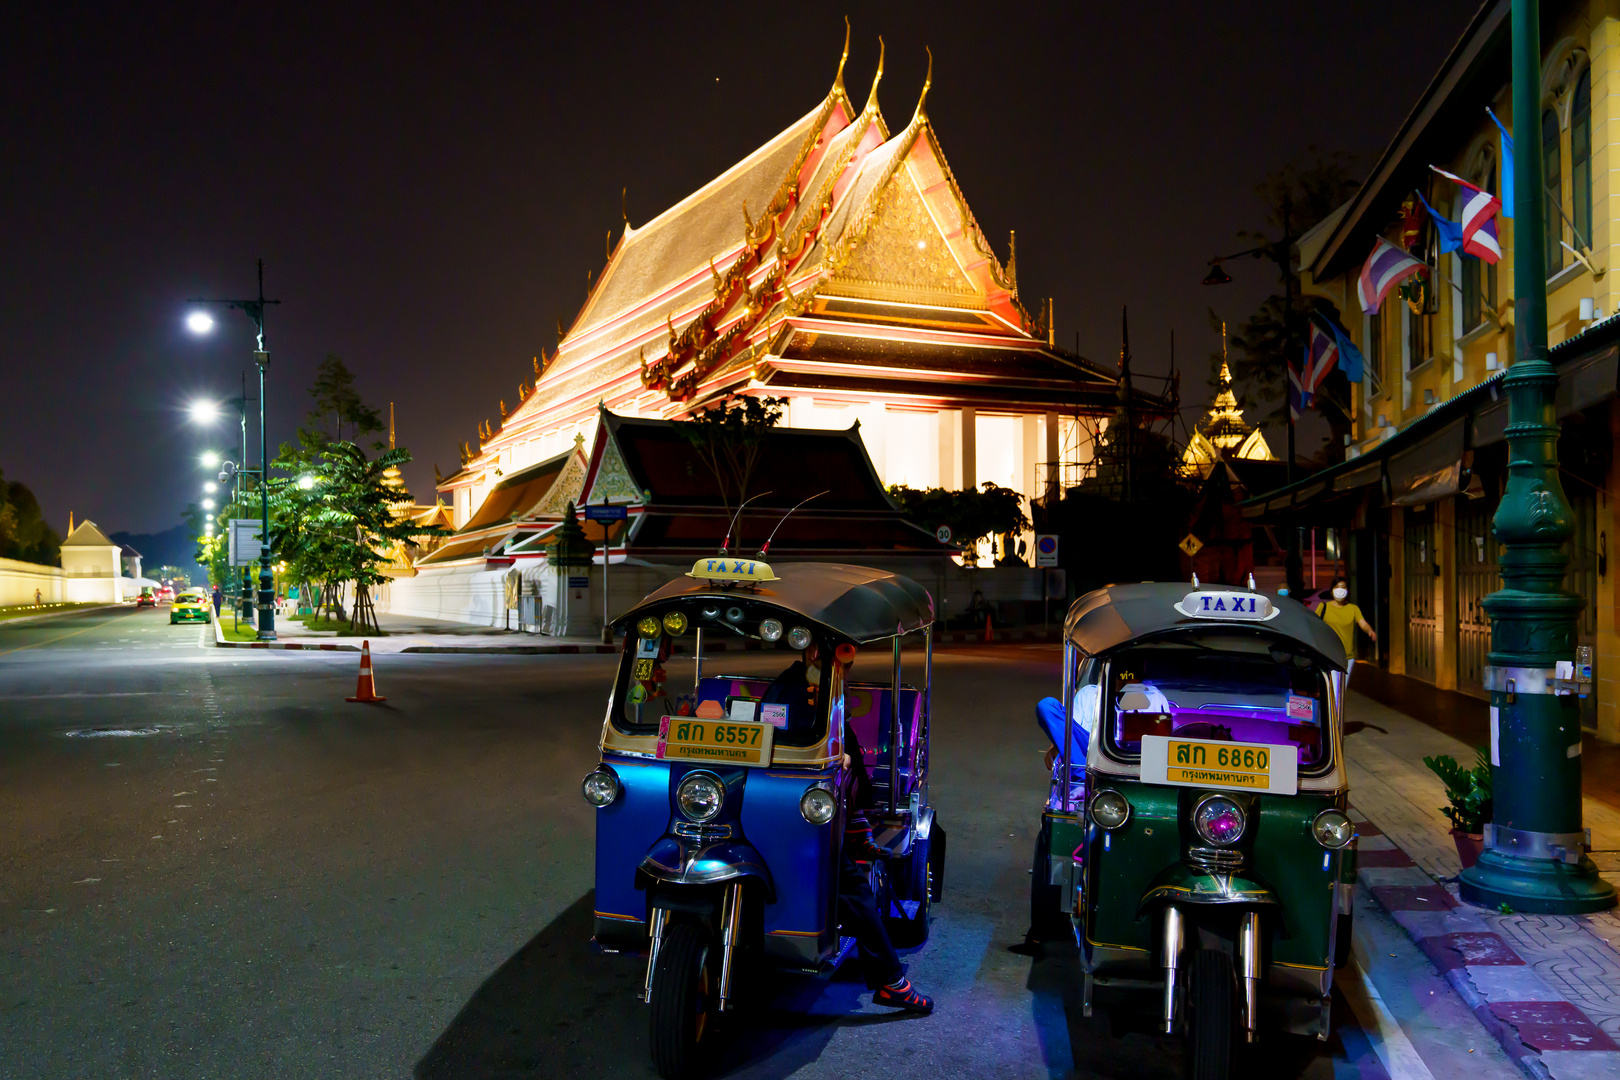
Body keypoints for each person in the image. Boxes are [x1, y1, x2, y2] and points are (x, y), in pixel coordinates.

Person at [762, 642, 934, 1014]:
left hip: (794, 805)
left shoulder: (819, 689)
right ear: (814, 657)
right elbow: (774, 739)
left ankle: (857, 829)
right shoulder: (791, 690)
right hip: (795, 809)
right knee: (854, 890)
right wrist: (833, 758)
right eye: (843, 664)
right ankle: (891, 982)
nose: (846, 672)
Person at [1316, 576, 1376, 668]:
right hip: (1328, 655)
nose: (1340, 590)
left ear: (1347, 590)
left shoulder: (1353, 609)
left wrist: (1370, 631)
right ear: (1332, 590)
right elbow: (1314, 624)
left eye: (1343, 587)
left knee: (1344, 683)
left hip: (1347, 657)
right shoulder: (1323, 607)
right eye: (1337, 587)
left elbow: (1363, 623)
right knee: (1333, 682)